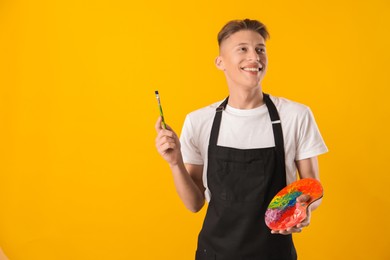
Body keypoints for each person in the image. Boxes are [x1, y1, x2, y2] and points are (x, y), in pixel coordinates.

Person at [155, 18, 328, 260]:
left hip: (274, 254)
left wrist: (305, 208)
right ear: (220, 62)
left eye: (260, 49)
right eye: (243, 49)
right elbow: (194, 204)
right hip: (214, 253)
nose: (255, 58)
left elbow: (312, 188)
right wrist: (175, 163)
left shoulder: (296, 116)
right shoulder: (199, 121)